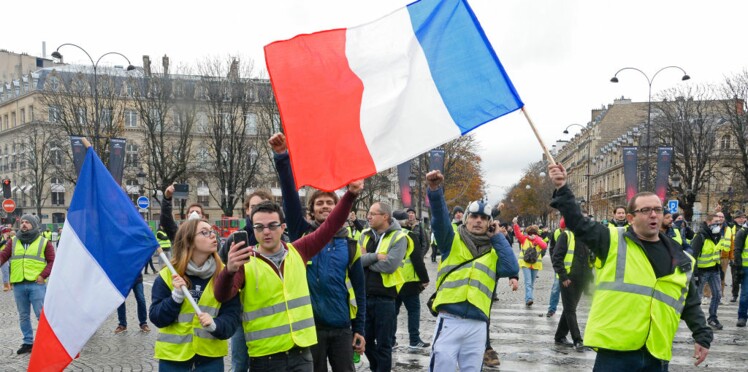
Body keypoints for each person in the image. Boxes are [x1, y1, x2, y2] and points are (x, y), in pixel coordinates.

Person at [548, 163, 711, 369]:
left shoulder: (680, 256)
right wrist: (563, 187)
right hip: (616, 351)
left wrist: (702, 335)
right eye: (645, 210)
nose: (653, 214)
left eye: (657, 210)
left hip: (656, 352)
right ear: (631, 218)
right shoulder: (611, 240)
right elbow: (577, 222)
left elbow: (689, 300)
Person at [215, 181, 363, 372]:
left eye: (272, 225)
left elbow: (330, 226)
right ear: (253, 228)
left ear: (282, 226)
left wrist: (350, 195)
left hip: (301, 354)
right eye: (259, 227)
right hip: (264, 357)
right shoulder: (245, 260)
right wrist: (229, 271)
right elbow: (221, 295)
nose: (266, 231)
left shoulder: (298, 250)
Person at [269, 132, 366, 372]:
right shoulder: (301, 233)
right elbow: (290, 198)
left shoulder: (350, 245)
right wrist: (282, 158)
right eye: (319, 203)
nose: (325, 206)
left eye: (330, 203)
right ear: (311, 210)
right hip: (309, 327)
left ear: (338, 209)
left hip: (342, 326)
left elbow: (360, 292)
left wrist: (360, 328)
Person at [426, 170, 519, 372]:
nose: (478, 221)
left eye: (483, 218)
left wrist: (498, 237)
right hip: (450, 318)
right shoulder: (451, 240)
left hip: (478, 323)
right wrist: (435, 191)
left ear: (489, 223)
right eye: (474, 216)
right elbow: (440, 220)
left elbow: (511, 267)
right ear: (466, 219)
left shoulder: (495, 251)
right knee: (442, 366)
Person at [149, 218, 241, 370]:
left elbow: (232, 318)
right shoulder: (168, 275)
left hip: (210, 360)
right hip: (173, 359)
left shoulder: (225, 275)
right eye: (204, 233)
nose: (212, 236)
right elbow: (157, 318)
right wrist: (175, 299)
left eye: (212, 232)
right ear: (189, 241)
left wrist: (215, 325)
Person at [216, 188, 273, 372]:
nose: (257, 210)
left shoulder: (276, 237)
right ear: (247, 210)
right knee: (239, 364)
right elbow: (221, 270)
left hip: (270, 312)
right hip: (241, 312)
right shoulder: (236, 238)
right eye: (254, 206)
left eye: (262, 206)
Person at [359, 202, 409, 372]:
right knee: (363, 339)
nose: (368, 216)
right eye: (369, 213)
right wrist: (377, 256)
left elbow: (390, 266)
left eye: (373, 214)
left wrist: (367, 260)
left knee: (384, 345)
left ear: (385, 216)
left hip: (386, 298)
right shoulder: (364, 234)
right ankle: (376, 368)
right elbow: (356, 262)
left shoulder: (399, 237)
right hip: (364, 296)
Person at [0, 215, 55, 354]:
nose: (24, 224)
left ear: (34, 224)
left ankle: (46, 342)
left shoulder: (44, 242)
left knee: (41, 315)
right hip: (18, 284)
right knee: (23, 315)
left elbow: (53, 261)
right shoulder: (13, 241)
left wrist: (43, 275)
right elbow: (3, 256)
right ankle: (27, 342)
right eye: (22, 222)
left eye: (27, 222)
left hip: (36, 284)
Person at [393, 210, 431, 350]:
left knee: (393, 311)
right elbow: (417, 260)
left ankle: (391, 340)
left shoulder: (388, 235)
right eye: (406, 219)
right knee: (413, 311)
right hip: (409, 280)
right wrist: (425, 278)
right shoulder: (409, 235)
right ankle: (414, 340)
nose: (410, 221)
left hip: (393, 280)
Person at [551, 225, 592, 351]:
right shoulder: (566, 235)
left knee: (570, 308)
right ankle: (577, 340)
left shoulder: (586, 237)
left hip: (581, 279)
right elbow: (556, 257)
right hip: (568, 279)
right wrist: (563, 277)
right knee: (570, 310)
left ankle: (560, 336)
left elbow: (588, 259)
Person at [691, 214, 726, 330]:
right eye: (716, 222)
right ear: (708, 222)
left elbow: (716, 253)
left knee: (717, 294)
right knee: (697, 298)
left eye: (720, 222)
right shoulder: (700, 236)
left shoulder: (716, 235)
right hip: (701, 272)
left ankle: (712, 318)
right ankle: (697, 322)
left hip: (714, 270)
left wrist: (720, 269)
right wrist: (695, 274)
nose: (718, 224)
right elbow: (693, 255)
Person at [512, 221, 548, 307]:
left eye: (534, 233)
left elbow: (544, 246)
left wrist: (536, 239)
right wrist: (515, 224)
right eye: (530, 233)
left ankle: (528, 298)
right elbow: (517, 234)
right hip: (525, 264)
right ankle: (529, 299)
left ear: (536, 234)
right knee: (528, 282)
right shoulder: (524, 239)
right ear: (527, 233)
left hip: (535, 265)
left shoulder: (539, 240)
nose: (532, 235)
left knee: (531, 283)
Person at [115, 269, 150, 334]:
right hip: (122, 278)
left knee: (141, 299)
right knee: (121, 300)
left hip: (136, 278)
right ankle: (122, 324)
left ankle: (143, 323)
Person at [545, 218, 567, 318]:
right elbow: (552, 248)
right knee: (556, 288)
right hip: (559, 266)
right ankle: (551, 309)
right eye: (562, 228)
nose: (563, 230)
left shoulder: (573, 233)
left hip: (570, 267)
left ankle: (569, 311)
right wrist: (555, 262)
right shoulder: (556, 233)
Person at [734, 213, 748, 327]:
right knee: (745, 294)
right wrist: (739, 268)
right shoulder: (742, 232)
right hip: (746, 268)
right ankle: (742, 317)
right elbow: (737, 251)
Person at [730, 211, 747, 302]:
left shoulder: (745, 228)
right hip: (734, 254)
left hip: (744, 256)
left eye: (743, 217)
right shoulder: (732, 227)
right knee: (735, 277)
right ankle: (735, 294)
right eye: (739, 217)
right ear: (735, 218)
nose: (741, 219)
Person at [0, 226, 12, 291]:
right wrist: (4, 240)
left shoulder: (11, 238)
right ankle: (6, 285)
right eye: (6, 231)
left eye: (8, 231)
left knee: (11, 270)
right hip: (2, 256)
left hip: (10, 256)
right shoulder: (1, 238)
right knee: (5, 271)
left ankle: (11, 284)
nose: (8, 233)